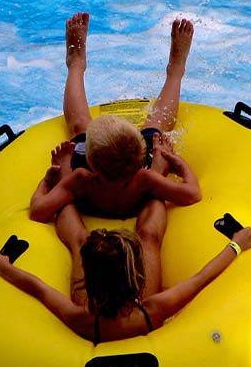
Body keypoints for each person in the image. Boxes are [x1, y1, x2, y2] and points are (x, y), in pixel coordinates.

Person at [0, 199, 251, 344]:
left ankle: (63, 193)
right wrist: (237, 243)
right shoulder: (154, 309)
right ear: (139, 277)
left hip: (95, 313)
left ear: (87, 282)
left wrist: (3, 267)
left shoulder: (79, 318)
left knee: (80, 240)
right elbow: (201, 278)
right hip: (138, 314)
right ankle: (154, 183)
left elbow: (38, 288)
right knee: (147, 236)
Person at [29, 13, 202, 222]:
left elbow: (38, 212)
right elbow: (192, 194)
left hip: (89, 191)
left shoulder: (79, 179)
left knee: (79, 126)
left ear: (89, 160)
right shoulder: (146, 178)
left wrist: (49, 180)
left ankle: (76, 64)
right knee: (156, 124)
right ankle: (176, 70)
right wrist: (177, 162)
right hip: (137, 192)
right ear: (140, 155)